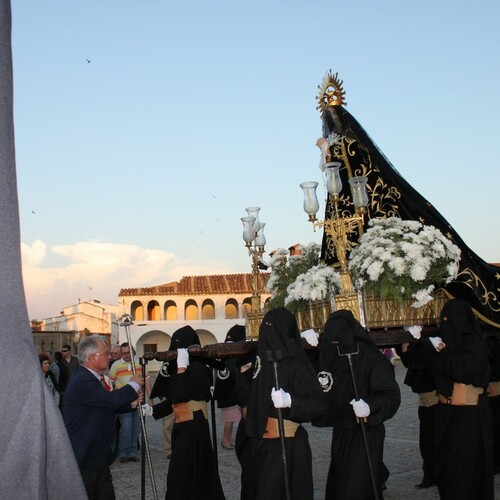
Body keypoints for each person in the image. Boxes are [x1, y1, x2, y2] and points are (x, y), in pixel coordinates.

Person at [316, 309, 400, 499]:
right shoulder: (331, 354)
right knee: (341, 484)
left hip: (367, 430)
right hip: (342, 430)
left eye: (337, 340)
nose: (333, 345)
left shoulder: (372, 358)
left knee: (359, 485)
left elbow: (391, 395)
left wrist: (370, 406)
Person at [245, 307, 326, 500]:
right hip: (261, 444)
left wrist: (291, 401)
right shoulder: (261, 360)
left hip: (287, 445)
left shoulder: (296, 363)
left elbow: (318, 404)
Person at [64, 335, 144, 500]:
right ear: (93, 357)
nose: (110, 357)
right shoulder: (83, 380)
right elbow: (110, 400)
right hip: (86, 456)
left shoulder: (93, 378)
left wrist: (132, 404)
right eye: (106, 353)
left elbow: (105, 406)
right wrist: (133, 384)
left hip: (98, 456)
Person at [431, 299, 494, 499]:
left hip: (469, 417)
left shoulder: (474, 344)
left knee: (464, 469)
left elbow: (462, 370)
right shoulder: (448, 344)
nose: (445, 323)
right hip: (448, 413)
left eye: (449, 319)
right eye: (443, 319)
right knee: (447, 467)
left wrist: (443, 351)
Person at [164, 325, 225, 500]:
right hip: (182, 425)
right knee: (179, 474)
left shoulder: (198, 367)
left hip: (194, 426)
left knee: (187, 473)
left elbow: (180, 394)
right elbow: (172, 397)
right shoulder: (179, 366)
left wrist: (182, 368)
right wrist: (154, 410)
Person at [396, 335, 438, 489]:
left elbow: (412, 360)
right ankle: (431, 473)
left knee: (431, 439)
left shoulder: (431, 344)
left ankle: (434, 473)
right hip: (426, 398)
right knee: (427, 440)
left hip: (434, 396)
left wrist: (408, 347)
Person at [108, 342, 152, 463]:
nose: (126, 355)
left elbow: (146, 381)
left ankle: (132, 452)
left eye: (128, 353)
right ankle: (123, 453)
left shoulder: (140, 363)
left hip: (140, 400)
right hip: (124, 401)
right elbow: (110, 383)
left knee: (136, 428)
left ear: (133, 351)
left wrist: (151, 397)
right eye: (124, 353)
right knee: (126, 427)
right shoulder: (116, 365)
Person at [213, 324, 246, 449]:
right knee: (230, 419)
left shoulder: (225, 356)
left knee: (230, 418)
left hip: (226, 392)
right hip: (229, 393)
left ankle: (228, 439)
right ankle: (225, 439)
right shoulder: (233, 358)